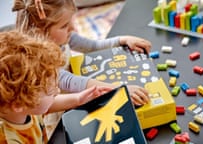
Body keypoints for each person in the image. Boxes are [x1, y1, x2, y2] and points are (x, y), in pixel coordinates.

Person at [12, 0, 152, 106]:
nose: (73, 28)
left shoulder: (65, 37)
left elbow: (92, 46)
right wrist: (119, 89)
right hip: (55, 112)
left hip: (76, 98)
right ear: (40, 34)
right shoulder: (38, 60)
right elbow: (70, 81)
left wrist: (122, 40)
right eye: (65, 26)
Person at [0, 30, 114, 144]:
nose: (57, 91)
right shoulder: (8, 140)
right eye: (50, 92)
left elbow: (47, 106)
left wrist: (78, 99)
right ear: (19, 104)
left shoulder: (22, 105)